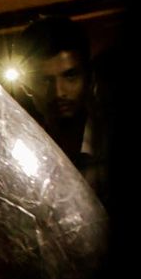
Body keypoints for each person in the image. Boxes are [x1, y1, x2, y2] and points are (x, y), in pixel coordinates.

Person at [18, 15, 109, 201]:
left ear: (89, 77)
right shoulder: (23, 158)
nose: (59, 92)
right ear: (26, 86)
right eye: (44, 80)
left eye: (70, 76)